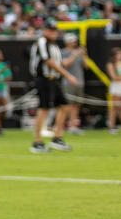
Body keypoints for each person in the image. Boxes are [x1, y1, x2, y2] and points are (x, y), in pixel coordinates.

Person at [30, 21, 78, 152]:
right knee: (44, 108)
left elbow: (60, 63)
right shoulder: (42, 42)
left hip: (54, 79)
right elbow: (49, 61)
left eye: (55, 31)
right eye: (50, 30)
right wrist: (68, 76)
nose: (53, 33)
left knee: (65, 106)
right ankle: (37, 141)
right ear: (44, 30)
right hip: (44, 78)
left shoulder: (54, 45)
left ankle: (57, 137)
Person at [59, 34, 86, 136]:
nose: (75, 43)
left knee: (76, 105)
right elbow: (65, 64)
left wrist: (83, 54)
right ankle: (61, 125)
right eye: (73, 41)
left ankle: (73, 126)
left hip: (79, 81)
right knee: (67, 105)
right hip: (68, 81)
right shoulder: (63, 52)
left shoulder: (79, 53)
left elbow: (86, 66)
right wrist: (75, 54)